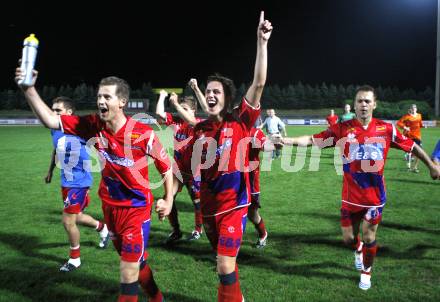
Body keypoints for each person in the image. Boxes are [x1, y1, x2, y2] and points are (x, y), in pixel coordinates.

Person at [16, 70, 174, 302]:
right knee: (136, 263)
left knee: (127, 269)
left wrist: (169, 199)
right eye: (99, 96)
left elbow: (166, 167)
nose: (101, 101)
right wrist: (28, 90)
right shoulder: (92, 125)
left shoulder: (143, 134)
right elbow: (51, 120)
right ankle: (157, 297)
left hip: (136, 210)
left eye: (107, 97)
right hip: (110, 208)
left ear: (122, 102)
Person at [278, 85, 440, 291]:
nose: (363, 104)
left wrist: (432, 166)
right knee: (348, 239)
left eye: (367, 101)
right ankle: (358, 248)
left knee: (370, 235)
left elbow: (413, 146)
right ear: (354, 105)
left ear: (374, 104)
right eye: (359, 101)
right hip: (350, 196)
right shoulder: (342, 129)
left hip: (374, 197)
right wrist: (288, 140)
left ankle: (366, 272)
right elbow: (312, 140)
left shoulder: (386, 129)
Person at [186, 11, 272, 301]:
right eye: (207, 91)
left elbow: (258, 84)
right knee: (223, 266)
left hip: (235, 205)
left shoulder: (240, 120)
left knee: (224, 265)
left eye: (216, 92)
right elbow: (182, 167)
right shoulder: (200, 131)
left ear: (227, 97)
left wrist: (261, 43)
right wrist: (168, 196)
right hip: (210, 208)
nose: (210, 95)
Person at [45, 96, 110, 272]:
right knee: (77, 217)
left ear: (69, 113)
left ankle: (75, 259)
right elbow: (56, 149)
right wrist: (50, 170)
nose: (54, 113)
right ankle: (102, 228)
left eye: (58, 110)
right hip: (66, 181)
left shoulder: (79, 129)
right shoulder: (55, 129)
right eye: (53, 110)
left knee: (67, 221)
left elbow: (100, 146)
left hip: (80, 182)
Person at [155, 90, 203, 243]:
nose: (181, 112)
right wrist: (162, 96)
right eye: (180, 108)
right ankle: (176, 231)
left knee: (197, 201)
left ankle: (197, 230)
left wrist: (176, 104)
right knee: (168, 198)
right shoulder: (175, 121)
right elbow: (159, 113)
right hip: (177, 170)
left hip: (194, 170)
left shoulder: (198, 124)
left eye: (186, 109)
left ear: (194, 111)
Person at [397, 104, 423, 172]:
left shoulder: (419, 115)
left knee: (419, 152)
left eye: (414, 108)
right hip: (409, 135)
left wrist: (422, 126)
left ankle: (415, 167)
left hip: (417, 136)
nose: (413, 109)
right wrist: (405, 127)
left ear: (416, 109)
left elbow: (420, 123)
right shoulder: (407, 116)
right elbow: (399, 123)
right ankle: (408, 167)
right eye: (412, 108)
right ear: (410, 109)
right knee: (409, 151)